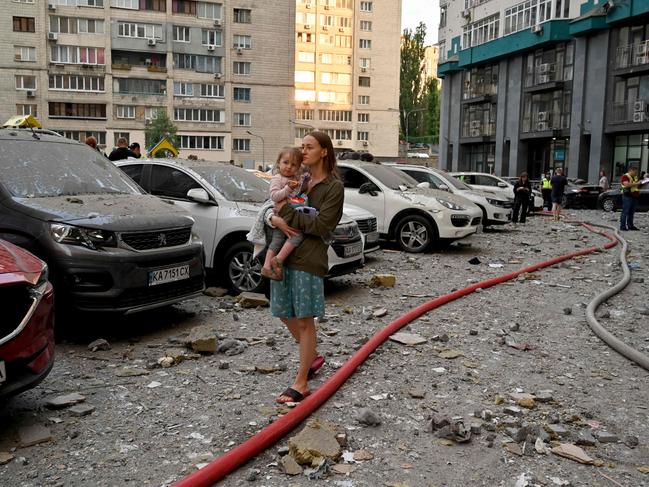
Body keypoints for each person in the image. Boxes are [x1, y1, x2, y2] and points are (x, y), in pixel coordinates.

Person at [268, 132, 344, 404]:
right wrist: (271, 217)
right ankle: (311, 357)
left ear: (324, 151)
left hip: (309, 258)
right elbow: (271, 205)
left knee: (304, 318)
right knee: (282, 311)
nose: (304, 150)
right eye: (302, 146)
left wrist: (283, 217)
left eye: (309, 147)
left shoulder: (333, 187)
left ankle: (301, 383)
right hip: (285, 256)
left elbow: (322, 226)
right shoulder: (300, 180)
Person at [261, 147, 308, 281]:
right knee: (296, 236)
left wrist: (303, 183)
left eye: (293, 165)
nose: (289, 167)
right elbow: (274, 196)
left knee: (278, 240)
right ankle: (277, 260)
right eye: (286, 162)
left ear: (298, 167)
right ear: (278, 163)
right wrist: (288, 188)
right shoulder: (277, 178)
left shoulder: (295, 178)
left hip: (290, 213)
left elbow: (298, 193)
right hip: (281, 214)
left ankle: (266, 267)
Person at [620, 166, 644, 231]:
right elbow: (627, 185)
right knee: (625, 211)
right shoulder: (625, 176)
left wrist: (642, 183)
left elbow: (636, 186)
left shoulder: (635, 177)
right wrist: (637, 183)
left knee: (631, 212)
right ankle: (623, 226)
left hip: (634, 196)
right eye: (635, 172)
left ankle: (630, 226)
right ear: (631, 170)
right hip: (627, 196)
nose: (636, 173)